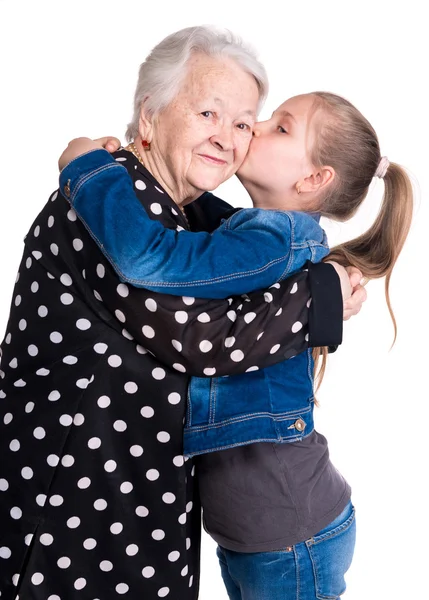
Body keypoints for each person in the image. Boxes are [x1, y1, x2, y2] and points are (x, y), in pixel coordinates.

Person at [0, 27, 363, 600]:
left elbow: (236, 239)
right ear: (149, 117)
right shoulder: (107, 204)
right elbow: (196, 338)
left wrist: (324, 275)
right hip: (69, 498)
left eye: (244, 122)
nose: (229, 136)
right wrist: (318, 302)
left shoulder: (178, 215)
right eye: (208, 113)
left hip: (135, 502)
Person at [57, 89, 413, 600]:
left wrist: (89, 170)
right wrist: (147, 163)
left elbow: (150, 257)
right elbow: (206, 232)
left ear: (313, 179)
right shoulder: (265, 235)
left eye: (280, 127)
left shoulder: (275, 243)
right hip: (263, 534)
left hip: (291, 535)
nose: (255, 127)